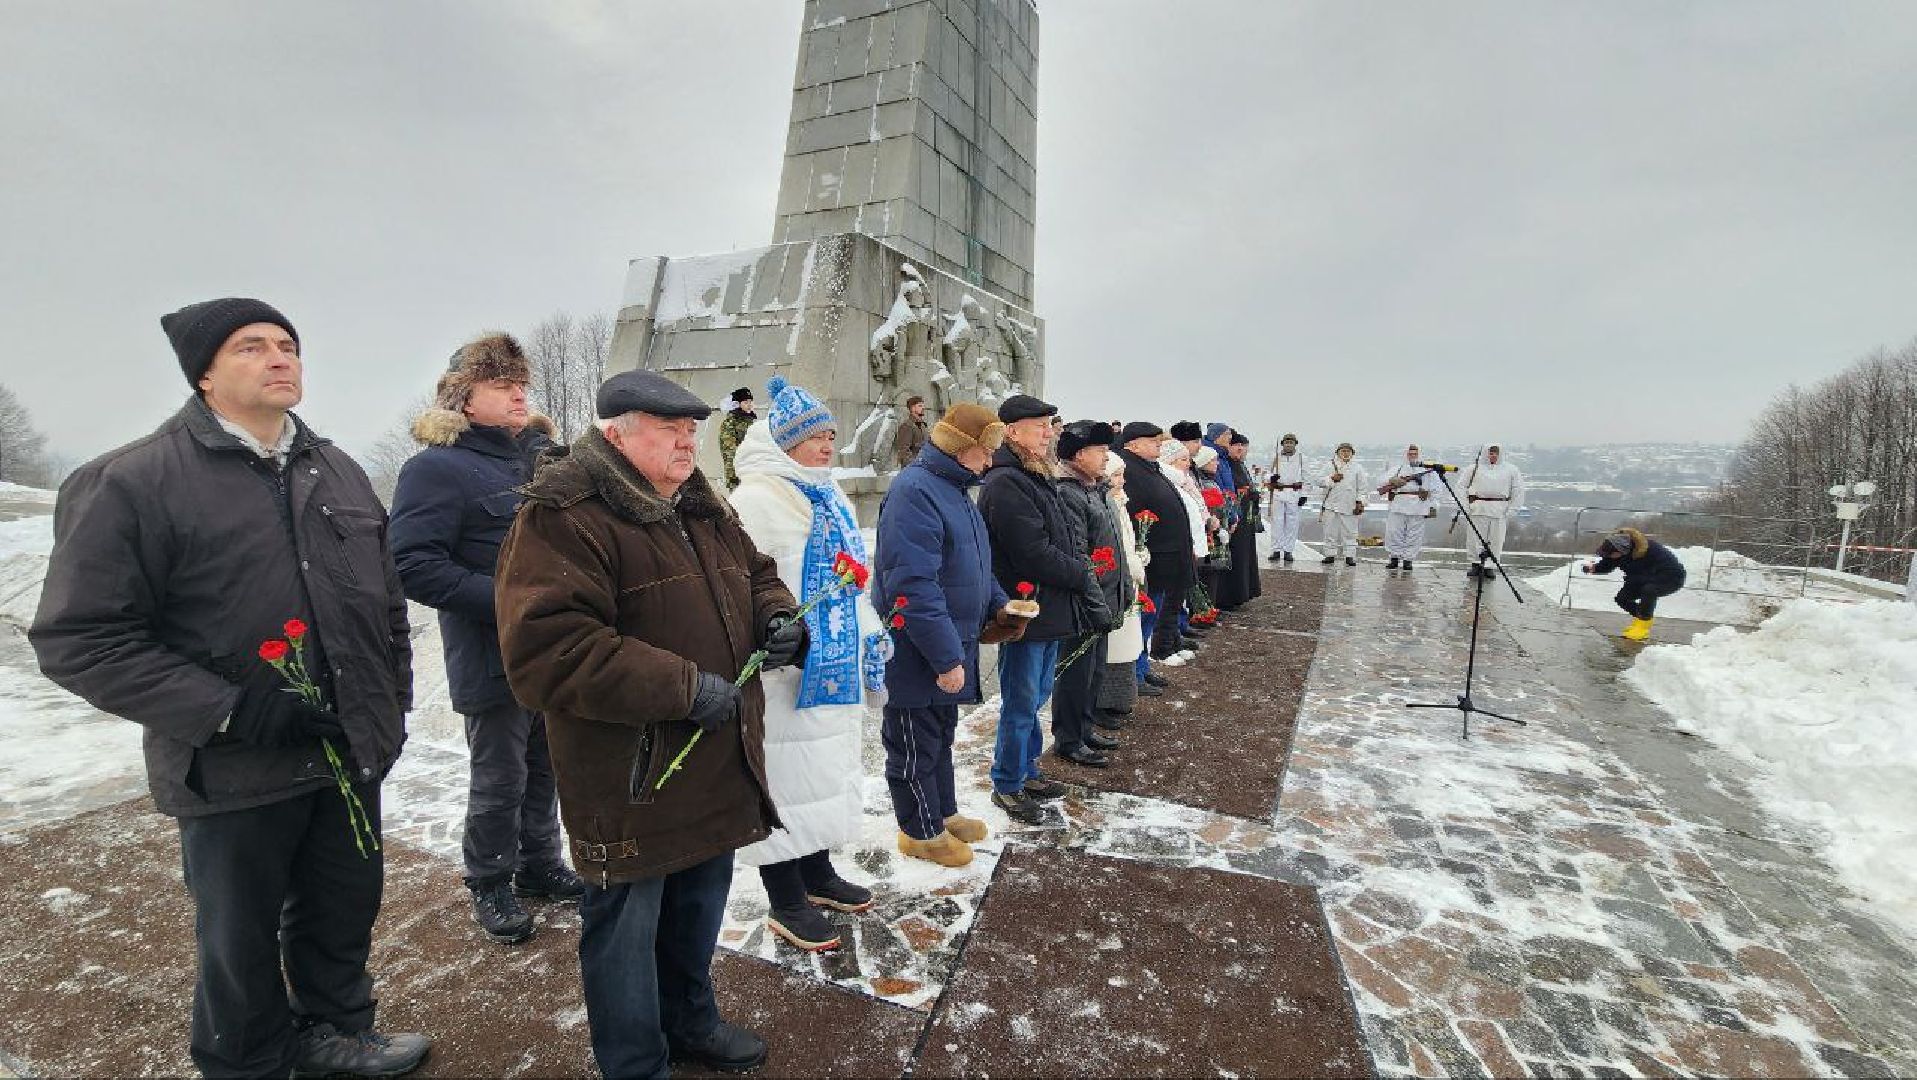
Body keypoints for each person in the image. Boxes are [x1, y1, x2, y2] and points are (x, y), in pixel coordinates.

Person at [30, 298, 428, 1079]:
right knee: (239, 938)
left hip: (345, 750)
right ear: (205, 374)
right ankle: (246, 1061)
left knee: (341, 911)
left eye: (288, 345)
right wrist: (230, 710)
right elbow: (79, 639)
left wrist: (389, 713)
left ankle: (338, 1032)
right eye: (253, 347)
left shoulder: (337, 470)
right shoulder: (132, 481)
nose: (281, 358)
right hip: (234, 767)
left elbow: (384, 610)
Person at [495, 370, 804, 1078]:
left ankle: (690, 1020)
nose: (685, 441)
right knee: (626, 928)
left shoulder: (700, 504)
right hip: (630, 766)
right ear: (615, 434)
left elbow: (757, 573)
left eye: (691, 429)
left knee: (698, 906)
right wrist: (685, 687)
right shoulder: (562, 515)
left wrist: (777, 616)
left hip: (714, 754)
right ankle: (634, 1063)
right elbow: (549, 650)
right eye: (667, 429)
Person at [389, 332, 581, 948]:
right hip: (490, 651)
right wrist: (509, 603)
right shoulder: (434, 469)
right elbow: (414, 563)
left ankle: (541, 863)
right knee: (499, 775)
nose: (519, 394)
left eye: (522, 385)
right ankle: (491, 879)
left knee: (547, 766)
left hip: (554, 650)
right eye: (502, 385)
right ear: (464, 399)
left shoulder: (542, 459)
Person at [726, 376, 884, 953]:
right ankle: (785, 898)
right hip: (784, 668)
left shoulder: (828, 493)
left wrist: (869, 632)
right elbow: (742, 586)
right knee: (784, 779)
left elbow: (852, 577)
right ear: (784, 440)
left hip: (832, 659)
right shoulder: (757, 499)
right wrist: (776, 634)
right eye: (815, 436)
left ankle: (817, 873)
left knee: (821, 774)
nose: (827, 445)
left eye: (831, 435)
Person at [874, 403, 1018, 868]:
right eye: (984, 451)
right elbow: (912, 585)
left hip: (948, 641)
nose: (990, 462)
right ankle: (918, 831)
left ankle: (942, 813)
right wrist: (944, 658)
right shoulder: (915, 491)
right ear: (961, 448)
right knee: (913, 742)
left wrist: (1000, 602)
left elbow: (975, 564)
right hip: (918, 648)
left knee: (939, 736)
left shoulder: (954, 489)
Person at [978, 395, 1112, 822]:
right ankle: (1008, 782)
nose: (1050, 432)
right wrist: (1079, 572)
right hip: (1026, 608)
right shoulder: (1006, 481)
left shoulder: (1033, 474)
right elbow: (1031, 551)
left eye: (1050, 425)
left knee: (1036, 696)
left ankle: (1027, 768)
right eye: (1041, 426)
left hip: (1048, 605)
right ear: (1013, 432)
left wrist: (1075, 568)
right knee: (1019, 701)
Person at [1055, 419, 1129, 764]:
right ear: (1080, 454)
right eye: (1100, 451)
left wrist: (1123, 588)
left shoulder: (1093, 489)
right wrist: (1097, 603)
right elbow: (1080, 554)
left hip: (1103, 597)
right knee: (1076, 673)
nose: (1105, 457)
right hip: (1084, 601)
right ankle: (1069, 739)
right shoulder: (1069, 492)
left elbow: (1112, 545)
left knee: (1094, 670)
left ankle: (1084, 730)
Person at [1116, 422, 1190, 686]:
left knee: (1150, 616)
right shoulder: (1130, 469)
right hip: (1150, 559)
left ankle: (1142, 667)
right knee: (1142, 619)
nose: (1158, 443)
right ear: (1132, 444)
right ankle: (1135, 673)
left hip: (1163, 558)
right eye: (1151, 440)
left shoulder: (1149, 466)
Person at [1096, 451, 1150, 719]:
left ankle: (1121, 699)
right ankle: (1106, 703)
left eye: (1121, 475)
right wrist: (1133, 564)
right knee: (1112, 649)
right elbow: (1113, 547)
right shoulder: (1107, 503)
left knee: (1125, 647)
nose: (1121, 481)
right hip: (1115, 583)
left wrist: (1140, 553)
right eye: (1115, 475)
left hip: (1127, 583)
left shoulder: (1119, 502)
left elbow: (1127, 542)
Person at [1583, 528, 1687, 640]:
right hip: (1641, 578)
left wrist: (1633, 580)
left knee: (1649, 590)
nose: (1609, 557)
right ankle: (1640, 619)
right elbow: (1608, 563)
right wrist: (1594, 569)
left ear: (1622, 551)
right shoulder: (1616, 549)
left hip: (1671, 578)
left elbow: (1651, 575)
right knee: (1622, 599)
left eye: (1611, 554)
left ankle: (1643, 625)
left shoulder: (1650, 550)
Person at [1157, 439, 1210, 659]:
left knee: (1177, 599)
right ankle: (1164, 646)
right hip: (1176, 549)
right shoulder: (1169, 481)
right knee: (1169, 601)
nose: (1188, 464)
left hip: (1188, 547)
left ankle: (1174, 639)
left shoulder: (1180, 481)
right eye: (1183, 459)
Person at [1461, 442, 1525, 578]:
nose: (1493, 456)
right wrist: (1464, 505)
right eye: (1491, 453)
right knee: (1475, 537)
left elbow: (1518, 490)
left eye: (1496, 453)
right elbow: (1461, 486)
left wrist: (1513, 508)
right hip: (1478, 507)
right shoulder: (1474, 469)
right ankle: (1476, 563)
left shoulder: (1511, 470)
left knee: (1496, 539)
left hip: (1499, 509)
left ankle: (1490, 565)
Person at [1375, 443, 1435, 572]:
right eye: (1410, 454)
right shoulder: (1398, 468)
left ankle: (1408, 559)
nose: (1412, 456)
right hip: (1399, 503)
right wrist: (1393, 480)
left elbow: (1436, 488)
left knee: (1414, 534)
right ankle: (1394, 557)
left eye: (1415, 454)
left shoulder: (1427, 470)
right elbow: (1380, 482)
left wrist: (1432, 503)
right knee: (1394, 532)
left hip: (1419, 504)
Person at [1218, 433, 1263, 605]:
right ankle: (1233, 595)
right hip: (1236, 517)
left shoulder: (1240, 465)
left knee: (1245, 556)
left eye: (1243, 446)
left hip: (1246, 518)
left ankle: (1244, 592)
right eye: (1236, 445)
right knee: (1236, 556)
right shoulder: (1227, 465)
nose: (1240, 449)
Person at [1318, 442, 1367, 566]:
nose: (1345, 453)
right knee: (1330, 532)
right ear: (1338, 453)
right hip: (1331, 504)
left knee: (1350, 532)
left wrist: (1360, 502)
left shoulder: (1358, 468)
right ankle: (1330, 554)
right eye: (1343, 451)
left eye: (1348, 451)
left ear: (1352, 453)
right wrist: (1331, 479)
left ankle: (1350, 555)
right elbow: (1318, 480)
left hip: (1349, 504)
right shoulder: (1329, 466)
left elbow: (1362, 488)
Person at [1267, 433, 1307, 564]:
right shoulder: (1276, 458)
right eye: (1286, 442)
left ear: (1295, 444)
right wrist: (1271, 478)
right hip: (1279, 491)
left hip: (1294, 492)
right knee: (1277, 522)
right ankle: (1276, 549)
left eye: (1291, 442)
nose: (1289, 444)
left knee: (1292, 523)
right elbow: (1267, 473)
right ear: (1282, 444)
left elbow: (1306, 478)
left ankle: (1288, 550)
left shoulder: (1301, 458)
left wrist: (1304, 494)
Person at [718, 386, 756, 489]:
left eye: (750, 401)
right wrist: (734, 476)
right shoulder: (730, 423)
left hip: (753, 473)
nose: (749, 405)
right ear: (737, 404)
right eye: (745, 402)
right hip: (739, 475)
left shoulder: (750, 423)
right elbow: (729, 451)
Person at [891, 393, 928, 468]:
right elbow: (904, 451)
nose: (923, 408)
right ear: (912, 408)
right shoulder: (906, 426)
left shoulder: (923, 426)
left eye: (923, 405)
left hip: (925, 468)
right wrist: (915, 465)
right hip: (913, 469)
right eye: (920, 406)